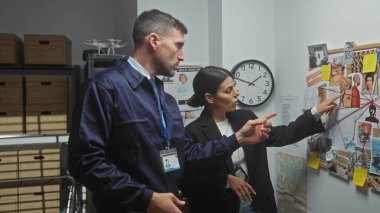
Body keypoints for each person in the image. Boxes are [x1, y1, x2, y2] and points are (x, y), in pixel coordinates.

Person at [68, 9, 275, 213]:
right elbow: (85, 161)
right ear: (154, 40)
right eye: (178, 45)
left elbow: (185, 153)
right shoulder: (105, 87)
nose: (182, 56)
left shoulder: (165, 99)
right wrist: (145, 198)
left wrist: (237, 139)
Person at [181, 66, 340, 213]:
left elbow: (283, 135)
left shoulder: (245, 118)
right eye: (228, 90)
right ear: (210, 98)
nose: (236, 92)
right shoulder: (192, 132)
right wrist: (225, 180)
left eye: (235, 86)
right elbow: (187, 181)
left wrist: (314, 112)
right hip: (220, 206)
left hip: (258, 204)